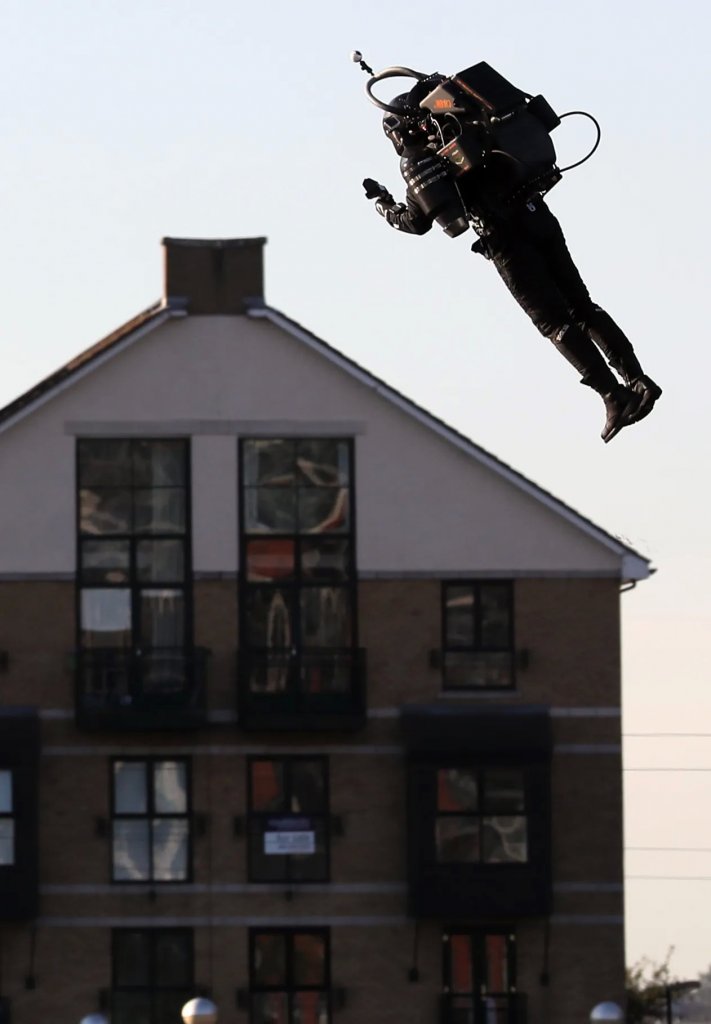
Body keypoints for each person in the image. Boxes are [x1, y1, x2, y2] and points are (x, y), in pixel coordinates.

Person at [363, 87, 662, 443]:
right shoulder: (472, 125)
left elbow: (416, 222)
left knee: (554, 323)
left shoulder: (422, 159)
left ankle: (614, 396)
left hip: (505, 238)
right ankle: (638, 379)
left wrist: (383, 203)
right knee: (582, 306)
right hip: (538, 215)